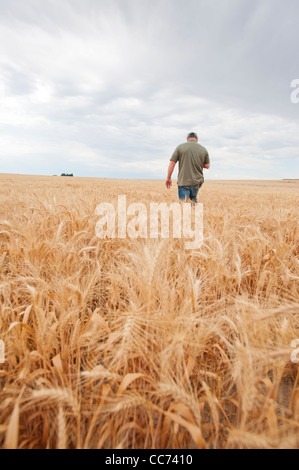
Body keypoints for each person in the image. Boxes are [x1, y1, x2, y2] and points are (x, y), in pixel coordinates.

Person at [166, 132, 210, 203]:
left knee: (184, 205)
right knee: (193, 201)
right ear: (197, 139)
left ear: (187, 139)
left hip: (184, 182)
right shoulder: (203, 149)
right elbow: (207, 166)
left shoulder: (180, 147)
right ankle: (195, 213)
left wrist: (168, 178)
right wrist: (197, 162)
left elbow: (172, 163)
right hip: (196, 182)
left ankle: (188, 213)